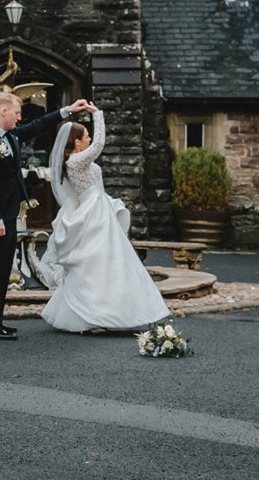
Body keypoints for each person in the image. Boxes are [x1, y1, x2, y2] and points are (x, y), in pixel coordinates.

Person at [0, 88, 92, 341]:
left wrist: (67, 111)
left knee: (4, 269)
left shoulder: (12, 135)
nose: (19, 117)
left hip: (10, 214)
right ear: (3, 111)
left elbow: (38, 125)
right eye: (16, 113)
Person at [39, 107, 170, 334]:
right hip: (94, 214)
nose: (89, 139)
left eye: (89, 135)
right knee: (98, 263)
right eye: (85, 136)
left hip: (98, 209)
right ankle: (94, 314)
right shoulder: (76, 161)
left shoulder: (74, 161)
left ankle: (102, 312)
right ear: (77, 142)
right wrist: (97, 114)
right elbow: (99, 145)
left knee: (104, 263)